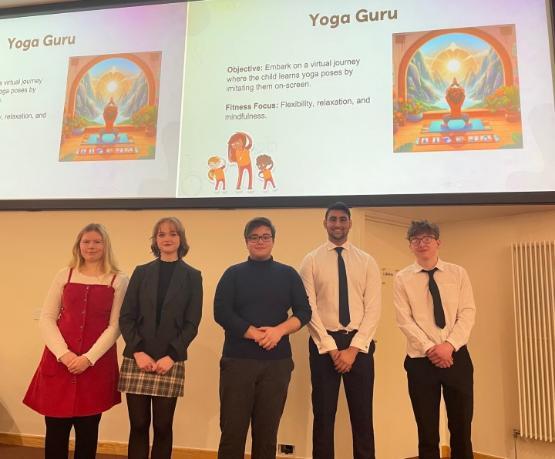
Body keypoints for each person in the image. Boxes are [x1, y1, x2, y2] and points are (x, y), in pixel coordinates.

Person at [23, 223, 128, 459]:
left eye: (97, 241)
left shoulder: (119, 279)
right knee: (56, 433)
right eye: (86, 241)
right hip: (59, 364)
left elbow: (116, 325)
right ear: (78, 246)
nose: (91, 246)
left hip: (95, 367)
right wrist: (65, 354)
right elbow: (47, 318)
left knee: (88, 433)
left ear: (105, 246)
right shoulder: (64, 275)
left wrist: (88, 359)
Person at [214, 217, 311, 459]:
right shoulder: (233, 274)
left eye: (265, 236)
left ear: (273, 240)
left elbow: (304, 312)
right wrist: (253, 333)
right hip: (237, 362)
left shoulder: (288, 274)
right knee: (232, 432)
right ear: (246, 241)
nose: (260, 241)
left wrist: (278, 331)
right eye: (254, 237)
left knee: (267, 434)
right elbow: (221, 312)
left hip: (276, 364)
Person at [299, 202, 381, 459]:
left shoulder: (366, 261)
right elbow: (308, 308)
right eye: (332, 219)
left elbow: (373, 309)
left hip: (360, 345)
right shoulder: (311, 261)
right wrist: (332, 349)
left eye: (342, 219)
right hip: (325, 346)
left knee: (363, 416)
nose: (337, 224)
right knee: (323, 415)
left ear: (350, 223)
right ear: (325, 223)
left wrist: (354, 349)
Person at [118, 217, 203, 459]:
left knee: (163, 427)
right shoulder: (141, 272)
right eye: (162, 234)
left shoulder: (192, 276)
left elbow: (191, 323)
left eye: (173, 234)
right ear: (156, 240)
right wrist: (137, 351)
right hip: (137, 358)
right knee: (138, 425)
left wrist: (172, 356)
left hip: (170, 360)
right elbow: (126, 317)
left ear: (181, 239)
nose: (167, 238)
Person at [393, 220, 476, 459]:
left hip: (456, 358)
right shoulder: (402, 278)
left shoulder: (458, 273)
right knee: (427, 432)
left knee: (461, 429)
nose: (422, 244)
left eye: (427, 239)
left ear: (438, 242)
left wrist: (449, 346)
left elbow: (467, 312)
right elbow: (404, 320)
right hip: (420, 361)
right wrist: (432, 348)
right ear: (410, 245)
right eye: (415, 240)